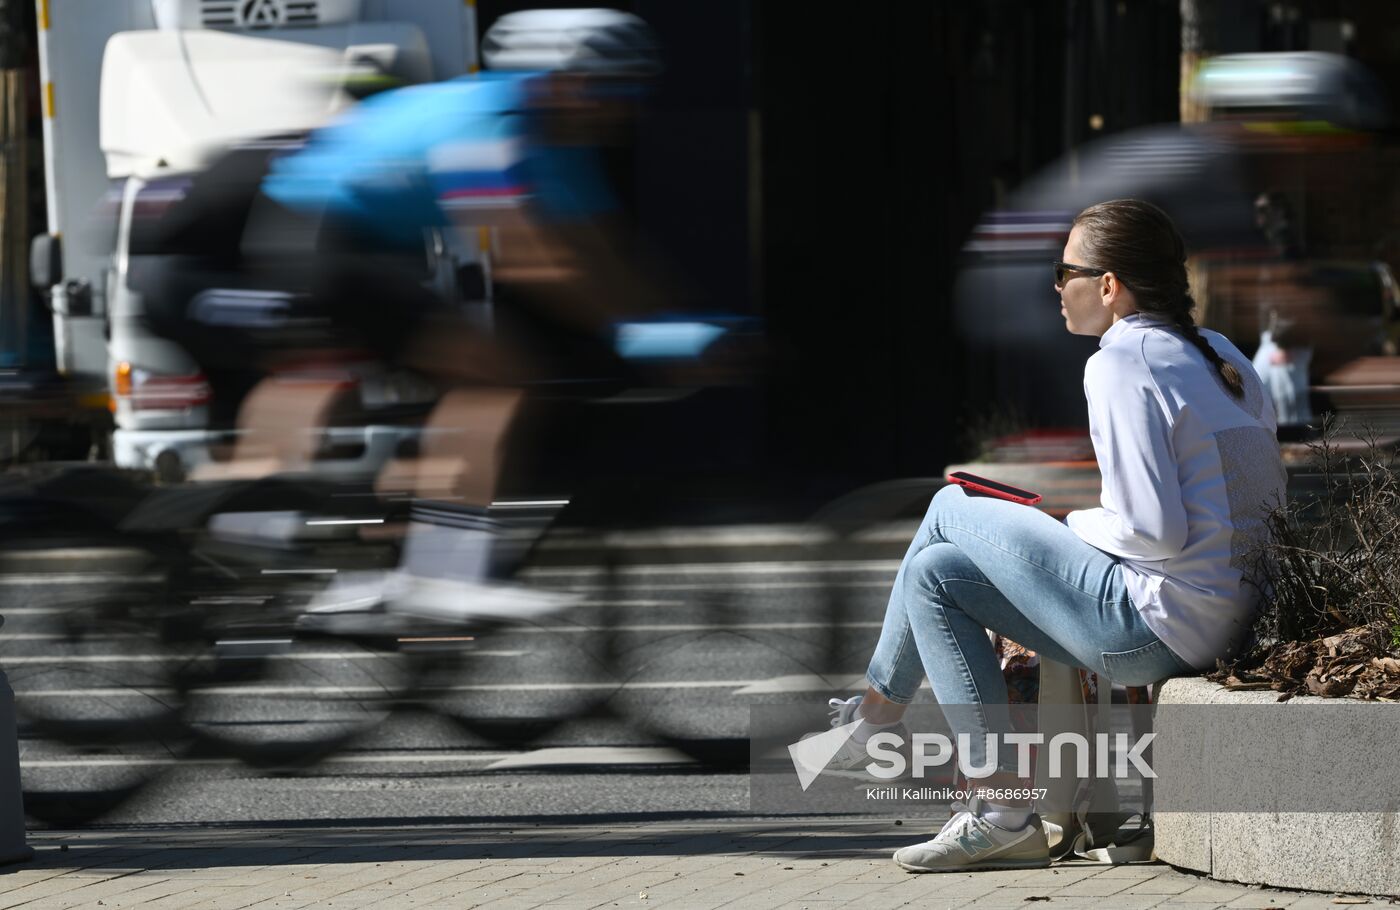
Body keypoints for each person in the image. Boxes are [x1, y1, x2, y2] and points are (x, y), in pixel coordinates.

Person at [813, 199, 1287, 873]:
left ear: (1108, 285)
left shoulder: (1121, 363)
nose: (1054, 286)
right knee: (935, 575)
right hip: (1232, 615)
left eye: (1065, 270)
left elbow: (1151, 530)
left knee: (950, 504)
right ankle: (1000, 812)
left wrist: (1064, 525)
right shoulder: (1220, 352)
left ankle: (876, 716)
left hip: (1158, 628)